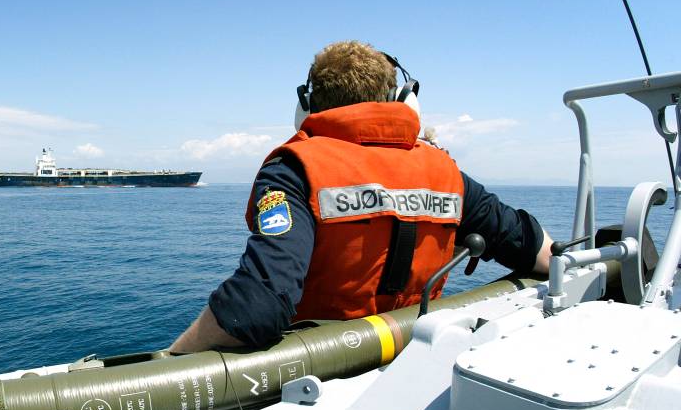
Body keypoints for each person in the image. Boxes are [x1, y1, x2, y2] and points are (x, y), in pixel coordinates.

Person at [169, 41, 552, 353]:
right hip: (421, 361)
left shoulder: (295, 170)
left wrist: (174, 358)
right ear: (402, 100)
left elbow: (255, 309)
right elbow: (536, 250)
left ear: (306, 106)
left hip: (317, 375)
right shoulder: (446, 172)